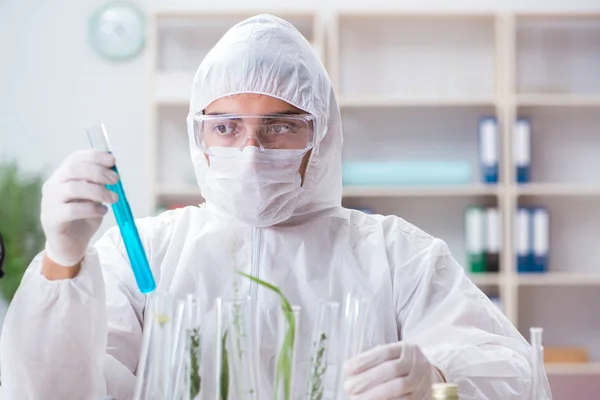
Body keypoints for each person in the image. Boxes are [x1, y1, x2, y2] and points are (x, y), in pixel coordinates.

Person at [0, 14, 551, 400]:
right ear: (200, 137)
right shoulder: (143, 251)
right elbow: (53, 391)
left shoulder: (396, 253)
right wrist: (63, 262)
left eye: (282, 125)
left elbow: (512, 376)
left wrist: (434, 378)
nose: (251, 149)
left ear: (323, 134)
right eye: (226, 126)